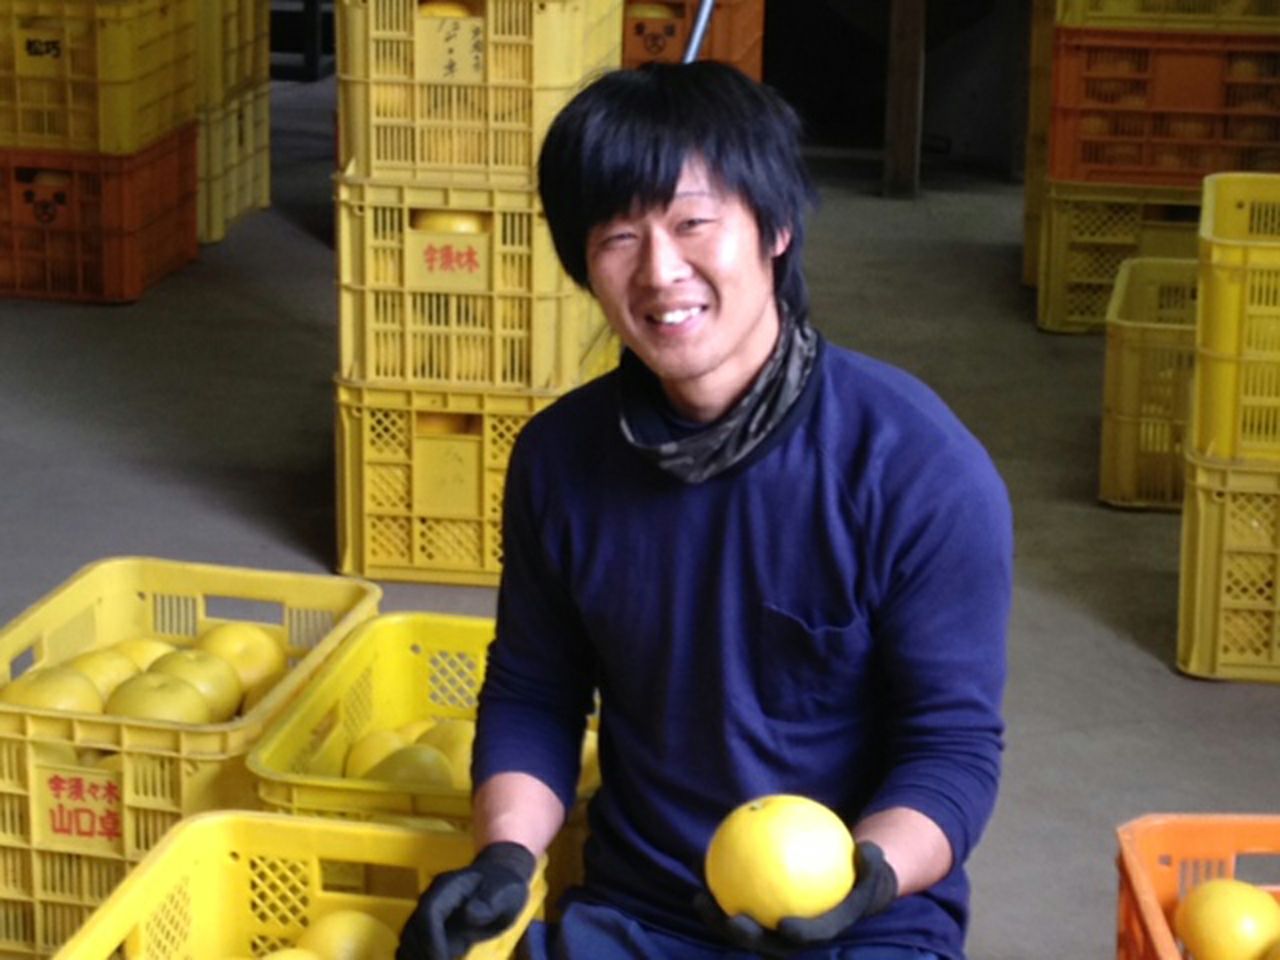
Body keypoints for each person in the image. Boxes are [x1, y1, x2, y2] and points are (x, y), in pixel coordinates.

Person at [397, 61, 1012, 960]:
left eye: (693, 222)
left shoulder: (915, 467)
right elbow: (537, 690)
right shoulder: (559, 459)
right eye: (618, 235)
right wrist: (504, 859)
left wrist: (865, 879)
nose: (660, 271)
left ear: (776, 228)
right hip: (642, 912)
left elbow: (951, 747)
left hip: (860, 921)